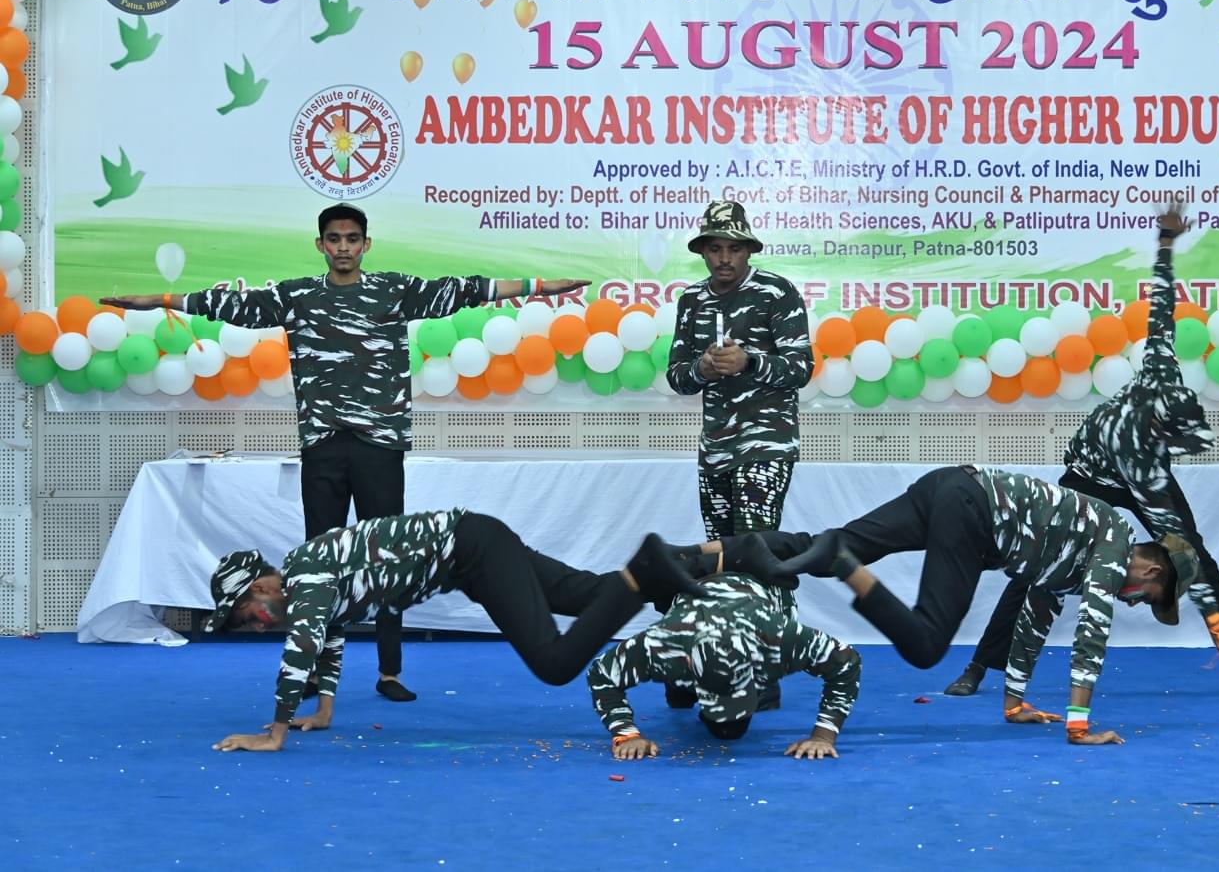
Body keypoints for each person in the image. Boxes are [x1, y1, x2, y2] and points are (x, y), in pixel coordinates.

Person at [102, 203, 590, 703]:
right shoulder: (297, 297)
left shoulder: (392, 290)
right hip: (323, 448)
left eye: (352, 238)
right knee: (322, 563)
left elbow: (465, 291)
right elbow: (229, 306)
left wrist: (537, 288)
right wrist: (155, 300)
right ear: (320, 244)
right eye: (333, 238)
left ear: (365, 244)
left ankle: (389, 671)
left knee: (389, 561)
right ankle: (315, 670)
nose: (343, 247)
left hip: (379, 446)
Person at [943, 203, 1219, 699]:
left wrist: (1165, 248)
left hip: (1136, 477)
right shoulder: (1141, 459)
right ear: (1159, 428)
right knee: (1041, 565)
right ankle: (980, 666)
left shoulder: (1161, 376)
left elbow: (1161, 309)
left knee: (1197, 558)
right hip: (1090, 475)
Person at [764, 465, 1219, 745]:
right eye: (1147, 598)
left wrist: (1014, 701)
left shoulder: (1073, 559)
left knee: (839, 542)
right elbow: (1092, 635)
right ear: (1152, 572)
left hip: (950, 485)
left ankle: (708, 558)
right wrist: (1079, 728)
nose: (1134, 603)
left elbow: (1034, 620)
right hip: (971, 511)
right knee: (926, 643)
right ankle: (845, 564)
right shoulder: (1115, 542)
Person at [203, 509, 704, 752]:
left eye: (247, 614)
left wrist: (274, 734)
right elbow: (329, 641)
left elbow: (302, 651)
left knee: (555, 663)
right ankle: (704, 562)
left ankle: (644, 568)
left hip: (475, 552)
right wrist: (325, 711)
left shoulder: (305, 575)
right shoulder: (310, 581)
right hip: (475, 543)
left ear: (263, 587)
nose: (253, 625)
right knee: (589, 594)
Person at [664, 199, 813, 712]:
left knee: (757, 553)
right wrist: (704, 368)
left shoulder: (776, 292)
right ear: (703, 251)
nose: (725, 258)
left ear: (748, 250)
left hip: (767, 443)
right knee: (718, 560)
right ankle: (719, 656)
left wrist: (750, 361)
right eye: (715, 249)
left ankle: (768, 665)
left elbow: (800, 369)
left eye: (734, 248)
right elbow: (678, 378)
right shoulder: (691, 301)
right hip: (716, 447)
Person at [587, 565, 860, 761]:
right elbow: (601, 673)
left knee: (732, 730)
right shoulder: (663, 644)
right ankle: (682, 687)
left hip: (762, 588)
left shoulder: (779, 637)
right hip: (692, 589)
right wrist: (627, 734)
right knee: (680, 700)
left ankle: (762, 688)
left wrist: (823, 736)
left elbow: (846, 662)